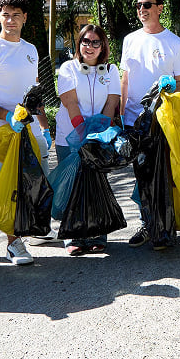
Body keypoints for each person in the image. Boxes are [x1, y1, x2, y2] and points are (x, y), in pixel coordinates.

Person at [0, 0, 51, 266]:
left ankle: (29, 230)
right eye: (6, 14)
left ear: (25, 18)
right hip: (4, 131)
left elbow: (34, 91)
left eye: (16, 14)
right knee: (12, 187)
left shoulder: (30, 49)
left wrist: (42, 123)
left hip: (31, 130)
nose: (11, 20)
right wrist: (7, 116)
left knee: (34, 183)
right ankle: (12, 243)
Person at [120, 0, 180, 249]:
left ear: (160, 7)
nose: (142, 9)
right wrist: (120, 113)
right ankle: (148, 225)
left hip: (163, 120)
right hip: (133, 119)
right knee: (141, 174)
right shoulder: (129, 40)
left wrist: (170, 88)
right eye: (138, 5)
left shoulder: (174, 43)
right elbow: (125, 79)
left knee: (163, 175)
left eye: (147, 5)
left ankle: (166, 228)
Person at [54, 24, 121, 255]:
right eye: (85, 41)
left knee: (96, 185)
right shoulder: (68, 68)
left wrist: (99, 134)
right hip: (70, 137)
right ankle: (74, 236)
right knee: (73, 186)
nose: (89, 46)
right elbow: (70, 103)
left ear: (102, 46)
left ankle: (97, 233)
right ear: (79, 44)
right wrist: (82, 134)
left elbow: (112, 102)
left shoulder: (111, 70)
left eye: (95, 42)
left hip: (97, 137)